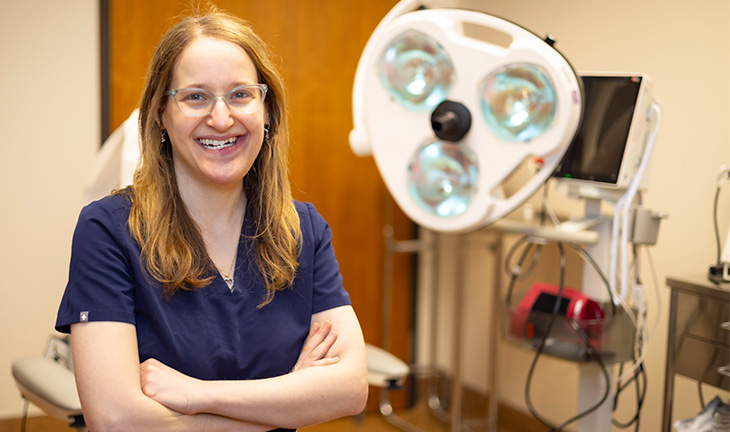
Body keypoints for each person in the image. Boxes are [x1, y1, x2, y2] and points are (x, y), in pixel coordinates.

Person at [55, 6, 368, 431]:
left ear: (267, 110)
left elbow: (349, 389)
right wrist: (289, 397)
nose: (221, 119)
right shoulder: (109, 231)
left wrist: (197, 395)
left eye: (241, 94)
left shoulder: (302, 230)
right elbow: (116, 420)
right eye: (195, 96)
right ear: (161, 115)